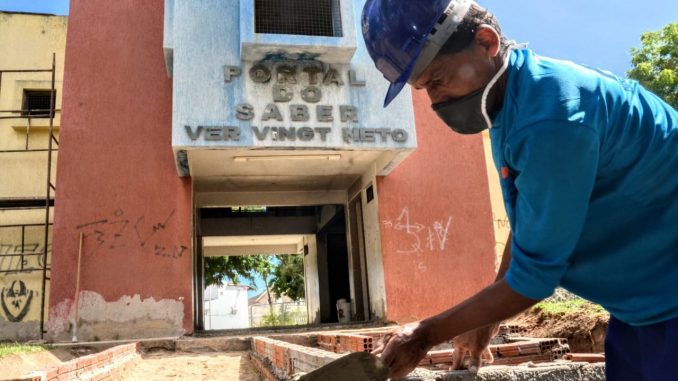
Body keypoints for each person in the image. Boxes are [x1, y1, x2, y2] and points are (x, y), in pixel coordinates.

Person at [361, 0, 678, 380]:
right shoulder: (513, 105)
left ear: (486, 42)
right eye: (424, 89)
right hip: (641, 309)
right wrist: (486, 322)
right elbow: (532, 219)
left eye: (438, 79)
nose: (435, 101)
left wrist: (425, 334)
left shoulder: (552, 116)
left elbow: (534, 278)